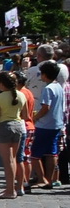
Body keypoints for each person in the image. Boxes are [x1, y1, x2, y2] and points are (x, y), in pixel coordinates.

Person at [0, 72, 27, 198]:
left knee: (8, 161)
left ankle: (10, 190)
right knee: (14, 159)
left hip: (4, 127)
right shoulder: (22, 95)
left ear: (1, 84)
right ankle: (13, 187)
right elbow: (25, 116)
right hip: (19, 126)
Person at [30, 60, 62, 190]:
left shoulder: (48, 89)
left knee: (35, 154)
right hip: (56, 123)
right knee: (51, 153)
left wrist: (35, 118)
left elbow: (45, 107)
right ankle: (50, 179)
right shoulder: (58, 86)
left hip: (45, 125)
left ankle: (42, 178)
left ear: (44, 74)